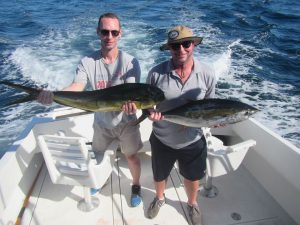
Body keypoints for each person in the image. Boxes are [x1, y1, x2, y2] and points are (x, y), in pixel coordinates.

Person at [37, 13, 143, 207]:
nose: (109, 36)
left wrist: (133, 106)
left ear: (120, 34)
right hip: (102, 123)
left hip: (127, 123)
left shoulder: (130, 62)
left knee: (132, 157)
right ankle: (100, 179)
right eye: (105, 31)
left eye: (114, 32)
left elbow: (132, 92)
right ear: (98, 33)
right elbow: (78, 86)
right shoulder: (87, 62)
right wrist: (53, 95)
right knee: (99, 156)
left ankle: (136, 186)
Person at [146, 25, 217, 225]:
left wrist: (215, 121)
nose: (181, 50)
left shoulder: (207, 73)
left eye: (186, 44)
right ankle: (160, 198)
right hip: (162, 138)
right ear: (169, 48)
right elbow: (147, 104)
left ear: (193, 44)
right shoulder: (155, 74)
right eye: (175, 46)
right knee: (159, 174)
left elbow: (210, 106)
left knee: (192, 176)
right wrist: (149, 113)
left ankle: (192, 203)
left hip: (193, 139)